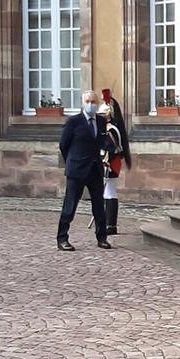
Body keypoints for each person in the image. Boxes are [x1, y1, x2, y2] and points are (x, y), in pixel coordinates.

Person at [56, 90, 112, 251]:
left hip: (95, 169)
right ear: (83, 103)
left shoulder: (101, 121)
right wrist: (72, 162)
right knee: (70, 205)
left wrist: (110, 152)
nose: (91, 105)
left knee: (99, 205)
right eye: (88, 101)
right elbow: (63, 145)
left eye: (94, 102)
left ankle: (102, 238)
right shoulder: (74, 122)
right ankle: (62, 238)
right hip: (76, 170)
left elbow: (102, 142)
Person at [99, 89, 131, 235]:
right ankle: (107, 223)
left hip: (110, 162)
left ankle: (111, 224)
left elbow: (110, 149)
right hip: (109, 162)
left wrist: (104, 160)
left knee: (109, 191)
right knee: (107, 192)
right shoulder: (107, 129)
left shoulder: (111, 130)